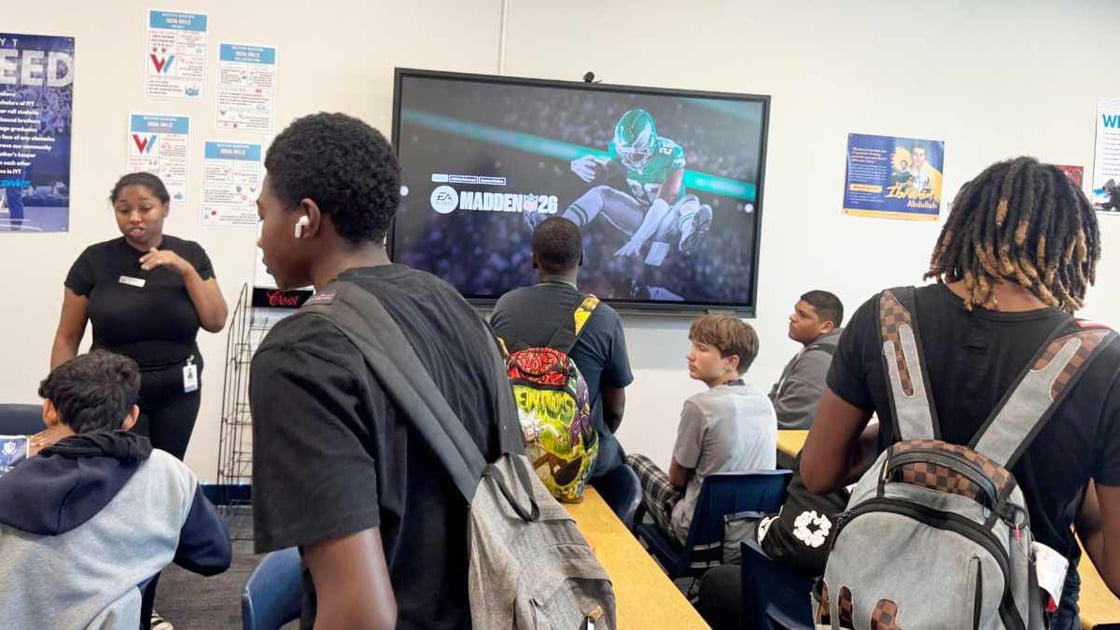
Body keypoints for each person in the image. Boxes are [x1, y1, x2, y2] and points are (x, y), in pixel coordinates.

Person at [802, 156, 1120, 626]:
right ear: (1070, 247)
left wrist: (899, 442)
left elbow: (819, 472)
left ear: (964, 226)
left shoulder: (885, 318)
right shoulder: (1102, 363)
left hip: (887, 606)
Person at [249, 112, 522, 630]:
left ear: (306, 217)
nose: (261, 238)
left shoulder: (301, 352)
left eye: (264, 215)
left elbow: (361, 616)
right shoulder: (452, 304)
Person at [0, 350, 230, 629]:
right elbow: (213, 557)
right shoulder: (168, 476)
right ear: (131, 416)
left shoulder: (8, 486)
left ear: (48, 410)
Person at [50, 172, 228, 461]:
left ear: (165, 208)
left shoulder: (190, 255)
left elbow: (215, 321)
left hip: (178, 387)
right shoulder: (94, 260)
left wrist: (185, 270)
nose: (134, 217)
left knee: (167, 468)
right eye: (123, 210)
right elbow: (66, 337)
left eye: (145, 208)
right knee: (125, 471)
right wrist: (60, 397)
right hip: (114, 388)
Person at [490, 216, 635, 515]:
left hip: (516, 456)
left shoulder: (505, 306)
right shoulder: (604, 317)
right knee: (618, 456)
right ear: (582, 258)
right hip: (581, 466)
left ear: (534, 260)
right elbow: (615, 408)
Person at [628, 314, 777, 542]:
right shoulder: (764, 402)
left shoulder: (700, 407)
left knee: (633, 462)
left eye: (702, 348)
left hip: (697, 532)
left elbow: (677, 478)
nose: (690, 355)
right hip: (748, 533)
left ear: (731, 362)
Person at [530, 109, 712, 286]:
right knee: (601, 193)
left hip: (668, 221)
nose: (630, 158)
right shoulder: (623, 152)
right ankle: (556, 233)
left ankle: (688, 229)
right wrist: (582, 165)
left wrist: (638, 239)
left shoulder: (670, 154)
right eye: (626, 153)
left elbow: (666, 198)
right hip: (641, 216)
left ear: (651, 144)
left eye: (636, 153)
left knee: (690, 202)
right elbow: (606, 169)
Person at [769, 290, 844, 429]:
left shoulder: (817, 360)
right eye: (795, 311)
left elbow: (790, 417)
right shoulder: (819, 350)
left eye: (802, 315)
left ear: (826, 327)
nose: (792, 317)